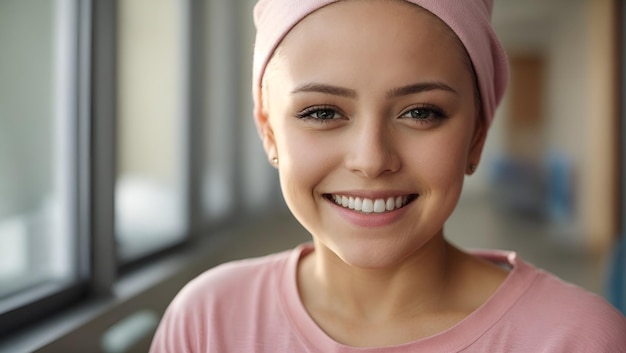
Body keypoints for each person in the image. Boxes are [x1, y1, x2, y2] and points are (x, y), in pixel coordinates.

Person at [149, 0, 626, 351]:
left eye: (421, 112)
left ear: (476, 136)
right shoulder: (207, 321)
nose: (372, 159)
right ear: (270, 133)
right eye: (321, 112)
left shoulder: (578, 338)